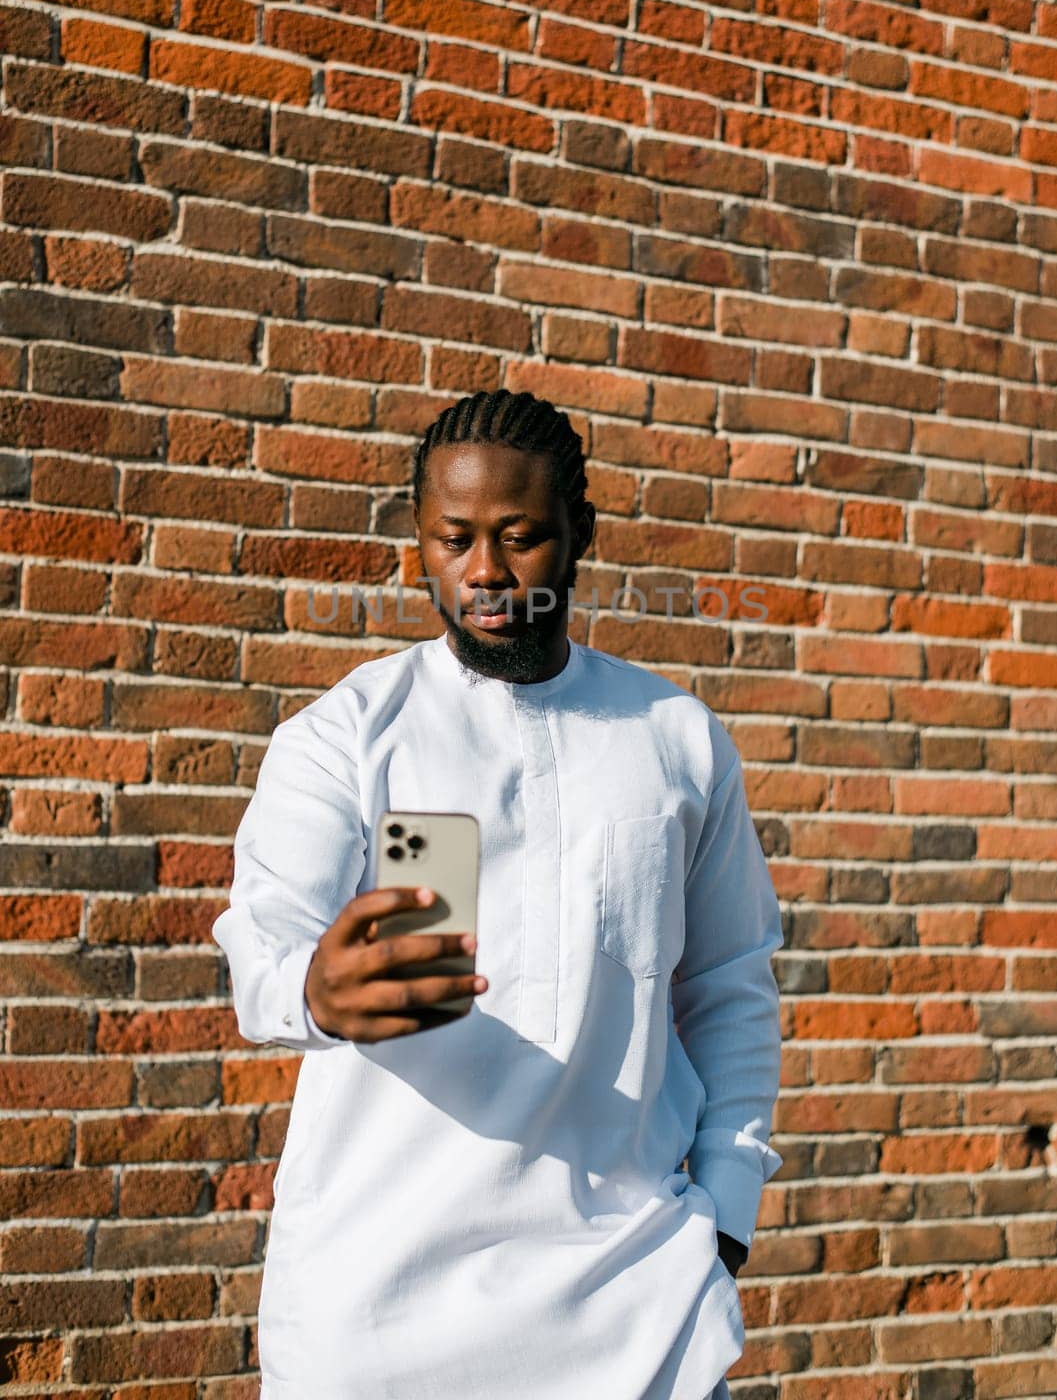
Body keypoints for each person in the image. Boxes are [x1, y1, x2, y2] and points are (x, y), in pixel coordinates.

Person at [212, 388, 785, 1400]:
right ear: (421, 543)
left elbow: (729, 986)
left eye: (519, 536)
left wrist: (726, 1214)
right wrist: (316, 990)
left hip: (637, 1299)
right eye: (454, 539)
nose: (484, 570)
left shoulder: (677, 739)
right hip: (377, 1310)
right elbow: (262, 944)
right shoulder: (346, 735)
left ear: (579, 535)